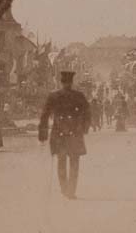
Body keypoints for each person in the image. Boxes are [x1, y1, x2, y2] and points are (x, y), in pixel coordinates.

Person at [39, 71, 91, 200]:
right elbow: (87, 112)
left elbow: (45, 115)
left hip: (61, 132)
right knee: (71, 162)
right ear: (69, 82)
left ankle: (66, 189)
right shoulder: (78, 96)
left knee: (64, 161)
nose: (67, 85)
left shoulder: (54, 96)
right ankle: (69, 190)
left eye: (67, 83)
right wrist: (84, 128)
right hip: (71, 133)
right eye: (67, 83)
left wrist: (43, 132)